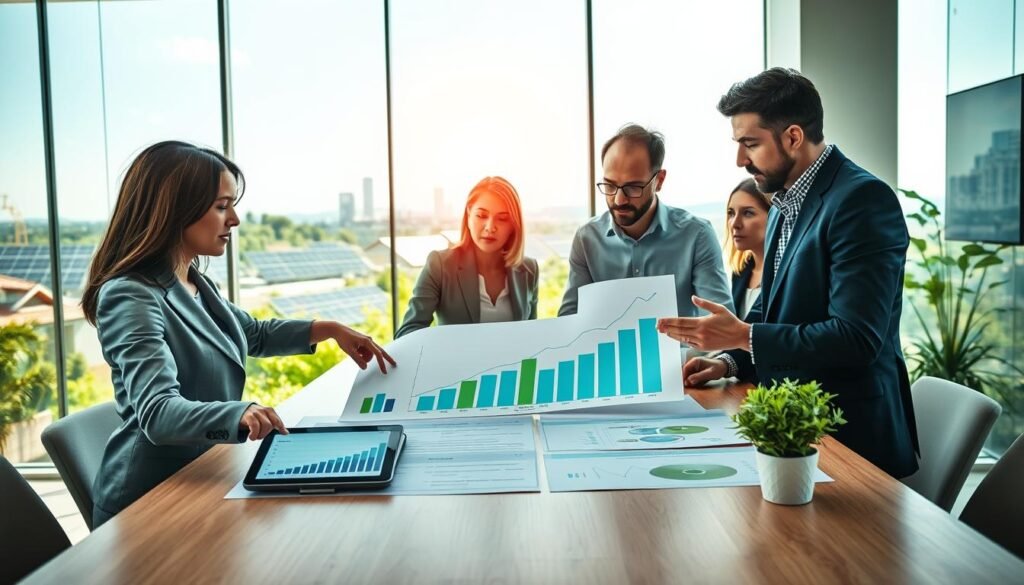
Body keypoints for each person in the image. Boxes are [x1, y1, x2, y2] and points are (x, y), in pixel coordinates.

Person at [81, 141, 395, 527]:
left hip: (203, 478)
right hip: (150, 503)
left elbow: (252, 333)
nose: (235, 220)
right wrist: (241, 413)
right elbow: (159, 413)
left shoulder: (193, 281)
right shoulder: (131, 294)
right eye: (220, 206)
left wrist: (328, 330)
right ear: (174, 210)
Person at [656, 68, 918, 479]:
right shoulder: (783, 202)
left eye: (750, 144)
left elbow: (856, 338)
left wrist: (741, 335)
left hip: (853, 441)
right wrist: (729, 361)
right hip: (794, 433)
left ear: (793, 137)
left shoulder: (863, 200)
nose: (740, 159)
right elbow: (774, 311)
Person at [558, 125, 733, 318]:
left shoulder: (696, 235)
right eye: (609, 185)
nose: (619, 200)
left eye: (633, 187)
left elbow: (719, 324)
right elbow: (570, 320)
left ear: (659, 180)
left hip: (684, 349)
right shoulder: (587, 238)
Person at [396, 176, 538, 338]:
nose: (490, 227)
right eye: (481, 216)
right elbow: (408, 332)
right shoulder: (440, 265)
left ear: (513, 225)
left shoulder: (529, 269)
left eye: (502, 219)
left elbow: (531, 336)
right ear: (469, 214)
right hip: (455, 362)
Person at [724, 178, 770, 319]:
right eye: (731, 213)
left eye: (748, 213)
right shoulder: (741, 272)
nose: (734, 224)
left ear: (774, 215)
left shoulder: (788, 274)